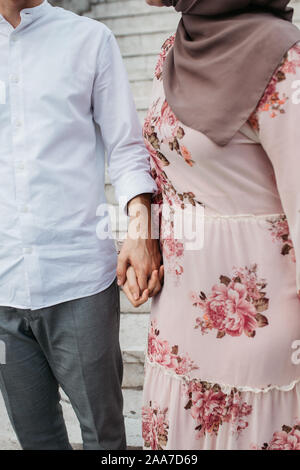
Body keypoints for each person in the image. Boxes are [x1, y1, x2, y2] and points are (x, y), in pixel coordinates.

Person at [136, 0, 300, 450]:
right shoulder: (175, 46)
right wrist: (141, 230)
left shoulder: (283, 57)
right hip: (178, 312)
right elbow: (161, 168)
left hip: (257, 318)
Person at [0, 0, 162, 450]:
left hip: (79, 282)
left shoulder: (89, 40)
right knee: (35, 438)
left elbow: (127, 149)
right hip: (3, 291)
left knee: (105, 436)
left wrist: (141, 228)